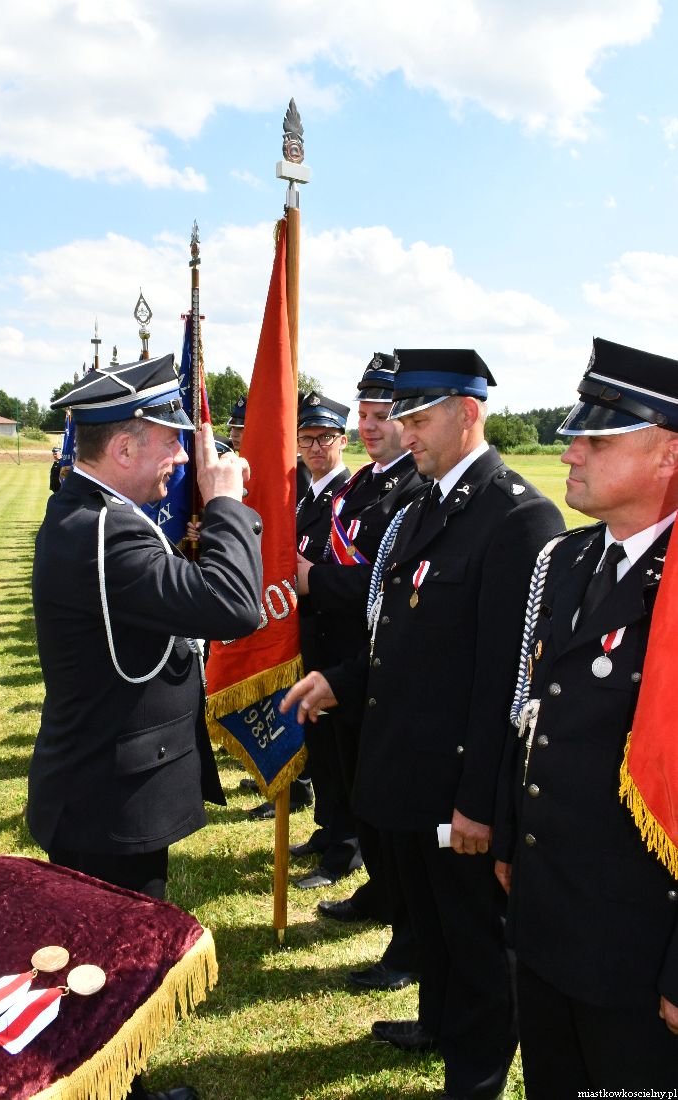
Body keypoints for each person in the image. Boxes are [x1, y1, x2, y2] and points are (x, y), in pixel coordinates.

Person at [282, 349, 562, 1100]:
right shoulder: (421, 506)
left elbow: (507, 682)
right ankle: (436, 1022)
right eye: (400, 417)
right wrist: (340, 681)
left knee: (475, 938)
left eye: (420, 418)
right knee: (433, 925)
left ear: (468, 414)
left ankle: (475, 1076)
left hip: (455, 780)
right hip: (404, 764)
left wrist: (478, 802)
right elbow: (397, 640)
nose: (405, 433)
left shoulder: (517, 516)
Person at [28, 353, 263, 1100]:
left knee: (105, 961)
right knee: (107, 966)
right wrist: (226, 505)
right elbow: (233, 606)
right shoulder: (106, 532)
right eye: (170, 441)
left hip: (102, 783)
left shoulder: (90, 514)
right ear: (124, 448)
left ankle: (118, 1085)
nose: (184, 459)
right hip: (109, 799)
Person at [493, 337, 678, 1097]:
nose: (569, 451)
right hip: (548, 914)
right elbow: (532, 713)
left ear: (668, 455)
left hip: (638, 944)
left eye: (597, 441)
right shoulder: (567, 560)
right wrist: (510, 836)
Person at [291, 354, 424, 994]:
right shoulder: (366, 484)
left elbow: (382, 585)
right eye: (364, 414)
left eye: (382, 415)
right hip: (337, 654)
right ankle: (378, 889)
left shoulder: (412, 488)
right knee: (347, 773)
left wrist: (313, 580)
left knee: (375, 791)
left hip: (372, 662)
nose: (370, 426)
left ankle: (398, 914)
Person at [248, 390, 350, 821]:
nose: (314, 448)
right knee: (318, 744)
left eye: (325, 438)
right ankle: (326, 827)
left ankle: (341, 838)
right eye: (305, 439)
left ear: (343, 440)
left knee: (338, 750)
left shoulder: (348, 496)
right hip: (303, 634)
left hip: (335, 639)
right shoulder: (307, 495)